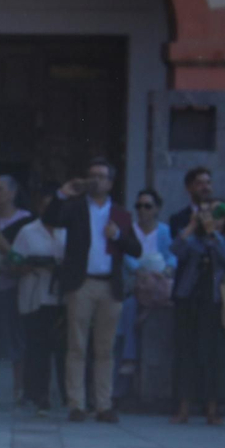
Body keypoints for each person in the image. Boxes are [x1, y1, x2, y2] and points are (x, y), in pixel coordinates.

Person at [43, 158, 142, 422]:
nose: (96, 179)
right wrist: (63, 194)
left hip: (110, 285)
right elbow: (51, 218)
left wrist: (118, 236)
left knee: (105, 348)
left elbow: (136, 249)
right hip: (82, 283)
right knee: (76, 345)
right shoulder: (75, 208)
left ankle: (103, 404)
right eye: (92, 175)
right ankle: (76, 403)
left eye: (101, 176)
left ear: (110, 183)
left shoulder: (120, 214)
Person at [170, 200, 225, 425]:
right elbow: (176, 249)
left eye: (220, 214)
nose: (215, 218)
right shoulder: (195, 240)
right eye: (211, 213)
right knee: (186, 354)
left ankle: (212, 408)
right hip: (190, 299)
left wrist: (214, 235)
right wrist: (193, 225)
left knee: (212, 356)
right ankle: (183, 408)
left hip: (214, 302)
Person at [14, 187, 68, 415]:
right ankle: (38, 394)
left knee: (64, 349)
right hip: (35, 296)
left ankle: (67, 395)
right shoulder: (28, 232)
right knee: (38, 348)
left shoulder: (68, 231)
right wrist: (30, 265)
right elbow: (13, 259)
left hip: (62, 298)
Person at [117, 188, 175, 386]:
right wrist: (139, 271)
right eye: (139, 206)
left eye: (147, 206)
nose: (143, 210)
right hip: (137, 282)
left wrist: (167, 270)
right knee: (130, 307)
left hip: (159, 283)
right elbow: (125, 255)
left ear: (157, 209)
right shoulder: (130, 230)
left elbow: (172, 254)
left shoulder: (164, 231)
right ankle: (129, 357)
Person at [0, 174, 33, 405]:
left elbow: (28, 256)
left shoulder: (26, 221)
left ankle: (19, 391)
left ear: (13, 193)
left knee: (17, 340)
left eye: (1, 189)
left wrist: (6, 248)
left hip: (16, 287)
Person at [169, 166, 213, 236]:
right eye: (200, 183)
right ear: (189, 188)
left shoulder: (220, 213)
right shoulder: (178, 219)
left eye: (208, 183)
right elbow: (176, 245)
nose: (205, 187)